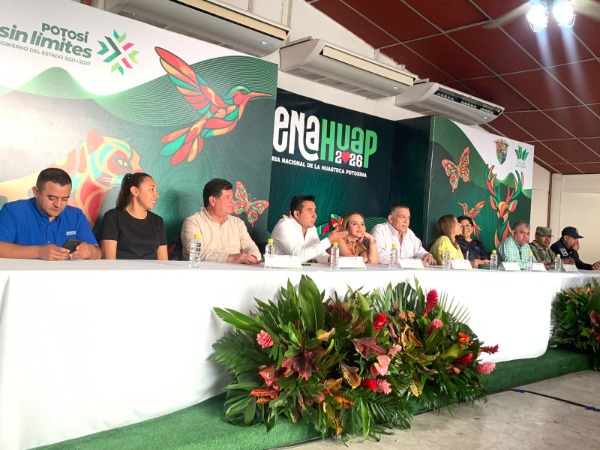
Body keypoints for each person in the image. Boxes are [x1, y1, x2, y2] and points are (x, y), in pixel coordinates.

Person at [0, 168, 101, 260]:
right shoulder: (12, 211)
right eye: (51, 198)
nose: (58, 204)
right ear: (36, 192)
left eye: (64, 199)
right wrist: (38, 252)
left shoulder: (76, 216)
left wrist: (90, 251)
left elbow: (98, 254)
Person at [181, 178, 261, 264]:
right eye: (227, 197)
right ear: (212, 201)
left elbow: (250, 246)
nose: (233, 202)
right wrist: (232, 258)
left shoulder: (237, 223)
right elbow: (197, 253)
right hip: (205, 271)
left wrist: (252, 257)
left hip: (237, 271)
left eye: (232, 197)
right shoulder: (193, 222)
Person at [100, 173, 167, 260]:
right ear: (135, 191)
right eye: (151, 189)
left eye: (156, 190)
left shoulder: (158, 221)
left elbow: (163, 261)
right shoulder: (113, 217)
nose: (157, 195)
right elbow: (109, 261)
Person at [270, 195, 347, 264]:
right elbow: (297, 257)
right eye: (310, 211)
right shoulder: (284, 226)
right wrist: (329, 240)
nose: (314, 215)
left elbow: (318, 253)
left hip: (300, 271)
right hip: (278, 271)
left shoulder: (311, 229)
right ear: (297, 214)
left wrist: (329, 259)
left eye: (315, 211)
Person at [371, 204, 436, 266]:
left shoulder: (409, 233)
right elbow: (379, 255)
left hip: (407, 272)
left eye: (408, 218)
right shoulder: (379, 230)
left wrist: (426, 255)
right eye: (402, 217)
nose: (406, 221)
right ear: (391, 219)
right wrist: (409, 263)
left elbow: (419, 251)